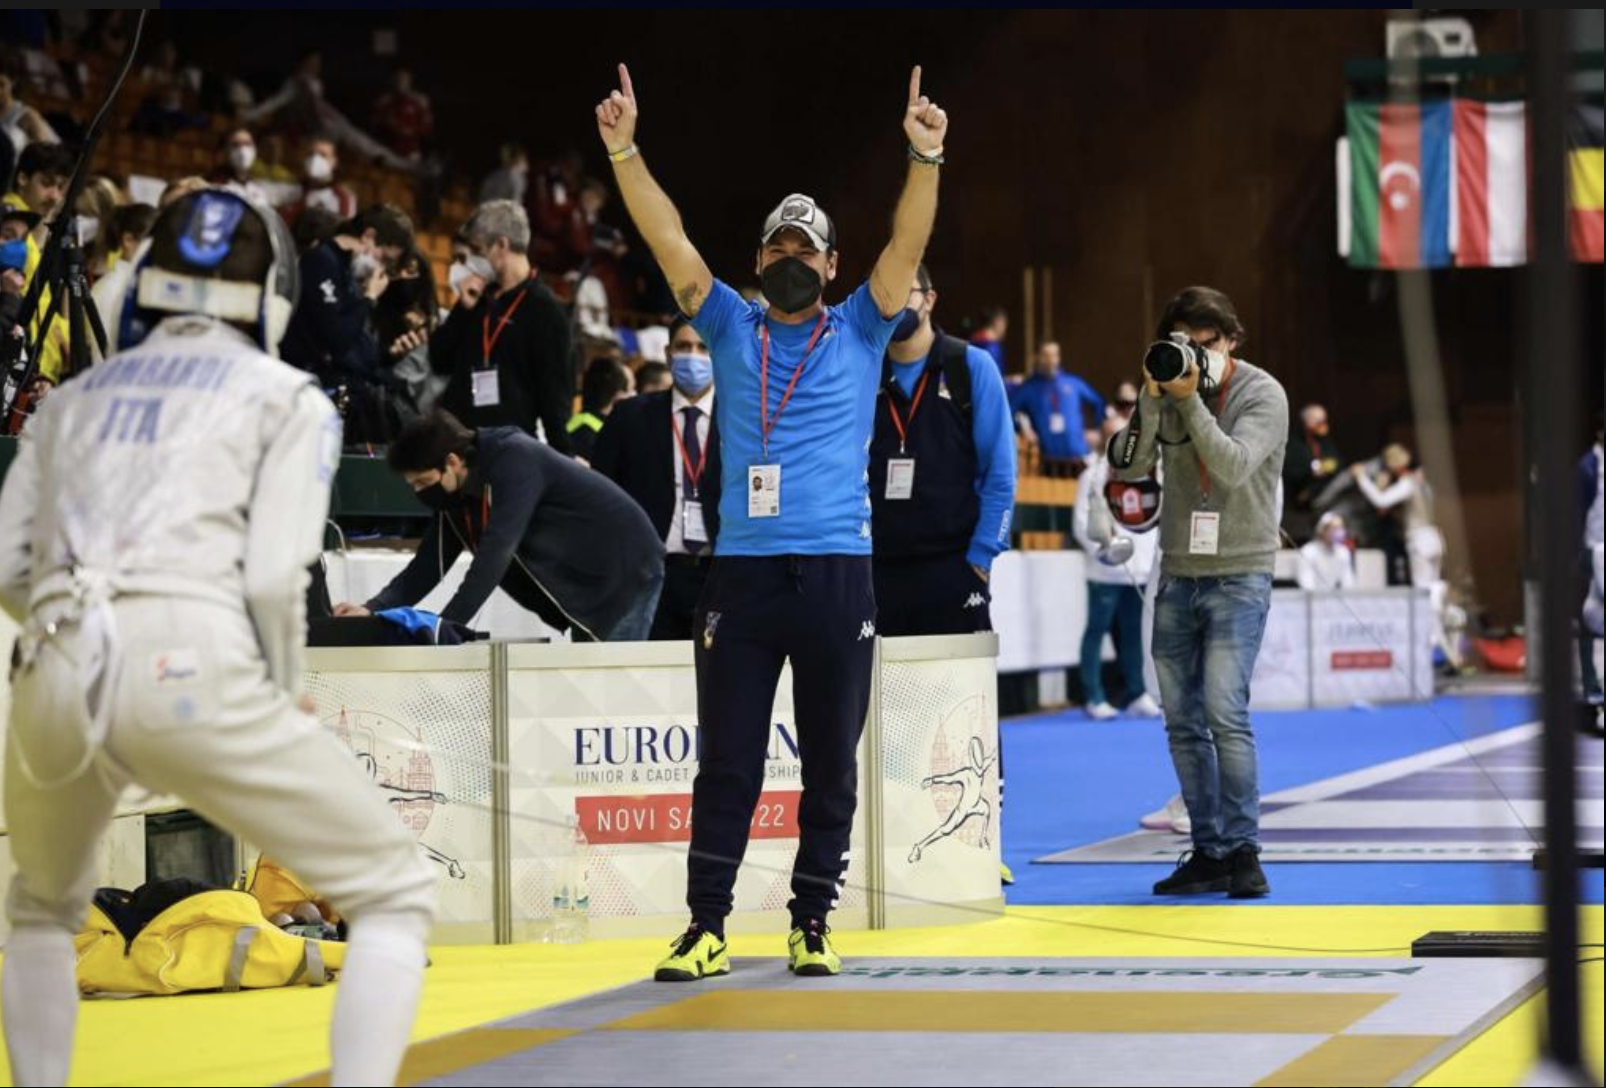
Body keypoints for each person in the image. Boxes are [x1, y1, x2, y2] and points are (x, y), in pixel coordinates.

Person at [0, 189, 435, 1086]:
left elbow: (8, 563)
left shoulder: (71, 401)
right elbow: (274, 579)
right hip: (190, 662)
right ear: (272, 297)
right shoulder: (289, 401)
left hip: (53, 662)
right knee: (393, 892)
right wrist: (276, 689)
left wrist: (76, 631)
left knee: (40, 912)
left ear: (141, 283)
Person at [596, 61, 945, 979]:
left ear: (831, 264)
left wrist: (925, 156)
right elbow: (667, 237)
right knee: (728, 765)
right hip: (743, 581)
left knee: (830, 765)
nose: (791, 260)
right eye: (777, 248)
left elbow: (907, 243)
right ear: (757, 262)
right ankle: (706, 925)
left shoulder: (863, 326)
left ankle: (811, 921)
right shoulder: (727, 325)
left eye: (807, 250)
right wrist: (625, 151)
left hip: (836, 576)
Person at [1109, 285, 1288, 900]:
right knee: (1182, 721)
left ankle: (1244, 849)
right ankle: (1209, 851)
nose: (1193, 355)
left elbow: (1233, 466)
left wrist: (1190, 403)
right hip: (1178, 572)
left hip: (1240, 571)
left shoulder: (1262, 393)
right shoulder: (1168, 389)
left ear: (1232, 340)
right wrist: (1151, 401)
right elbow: (1129, 468)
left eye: (1205, 344)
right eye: (1181, 343)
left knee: (1224, 712)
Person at [335, 410, 664, 642]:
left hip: (625, 567)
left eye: (423, 481)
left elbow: (495, 555)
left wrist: (444, 627)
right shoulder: (457, 495)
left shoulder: (514, 459)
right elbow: (428, 565)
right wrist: (371, 609)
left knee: (611, 690)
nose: (420, 493)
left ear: (452, 462)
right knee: (594, 687)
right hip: (589, 577)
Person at [868, 263, 1014, 637]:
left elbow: (1000, 473)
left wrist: (982, 556)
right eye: (884, 294)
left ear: (929, 299)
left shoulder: (970, 366)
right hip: (877, 569)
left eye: (904, 291)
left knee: (958, 677)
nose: (893, 303)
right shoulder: (864, 372)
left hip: (954, 565)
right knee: (881, 678)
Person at [593, 316, 724, 640]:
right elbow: (601, 495)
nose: (693, 356)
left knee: (717, 670)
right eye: (683, 346)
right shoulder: (630, 416)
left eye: (703, 347)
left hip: (720, 576)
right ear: (668, 354)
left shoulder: (741, 418)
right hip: (652, 575)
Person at [430, 200, 574, 452]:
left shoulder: (547, 311)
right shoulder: (476, 298)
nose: (473, 259)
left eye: (478, 249)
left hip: (509, 451)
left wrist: (562, 458)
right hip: (456, 445)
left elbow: (554, 399)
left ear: (502, 245)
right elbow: (439, 360)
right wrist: (462, 309)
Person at [1073, 416, 1162, 719]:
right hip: (1105, 569)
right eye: (1112, 435)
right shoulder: (1092, 476)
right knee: (1096, 631)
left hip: (1139, 569)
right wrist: (1105, 549)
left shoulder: (1146, 472)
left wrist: (1150, 557)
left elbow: (1151, 518)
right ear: (1103, 439)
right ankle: (1094, 696)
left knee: (1134, 633)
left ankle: (1137, 692)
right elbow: (1081, 522)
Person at [1350, 443, 1457, 666]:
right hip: (1434, 538)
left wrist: (1362, 479)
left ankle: (1432, 643)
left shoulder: (1408, 482)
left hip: (1420, 540)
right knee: (1432, 589)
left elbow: (1382, 500)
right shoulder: (1422, 480)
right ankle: (1442, 641)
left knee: (1423, 593)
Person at [1009, 340, 1105, 477]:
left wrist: (1096, 429)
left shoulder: (1073, 382)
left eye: (1054, 355)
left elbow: (1098, 402)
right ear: (1037, 357)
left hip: (1077, 456)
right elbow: (1008, 413)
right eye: (1046, 355)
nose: (1050, 359)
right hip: (1048, 460)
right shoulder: (1029, 388)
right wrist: (1023, 428)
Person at [1282, 402, 1343, 543]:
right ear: (1307, 421)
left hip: (1323, 497)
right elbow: (1288, 468)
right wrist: (1310, 470)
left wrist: (1328, 467)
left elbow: (1337, 462)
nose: (1323, 425)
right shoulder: (1293, 441)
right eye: (1319, 421)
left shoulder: (1325, 441)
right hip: (1296, 501)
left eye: (1324, 421)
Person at [567, 354, 634, 462]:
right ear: (619, 396)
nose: (634, 395)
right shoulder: (594, 434)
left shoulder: (582, 422)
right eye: (631, 390)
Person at [1296, 511, 1356, 591]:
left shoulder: (1343, 552)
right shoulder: (1308, 551)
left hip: (1332, 597)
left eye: (1341, 527)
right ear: (1323, 530)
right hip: (1312, 597)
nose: (1339, 531)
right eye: (1335, 528)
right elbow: (1306, 582)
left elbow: (1348, 582)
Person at [968, 305, 1007, 371]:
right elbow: (994, 375)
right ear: (997, 322)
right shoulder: (993, 347)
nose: (1005, 328)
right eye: (1004, 323)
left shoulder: (972, 340)